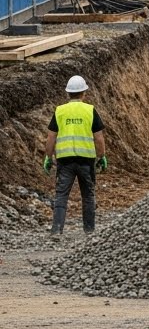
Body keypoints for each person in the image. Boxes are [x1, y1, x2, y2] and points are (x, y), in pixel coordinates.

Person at [42, 75, 107, 236]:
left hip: (65, 161)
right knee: (88, 195)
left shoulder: (60, 111)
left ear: (68, 93)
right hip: (86, 161)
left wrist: (48, 157)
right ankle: (89, 231)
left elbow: (51, 137)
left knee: (61, 195)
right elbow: (99, 137)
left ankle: (57, 230)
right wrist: (102, 156)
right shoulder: (89, 110)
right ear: (84, 92)